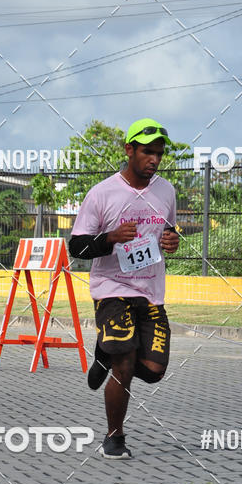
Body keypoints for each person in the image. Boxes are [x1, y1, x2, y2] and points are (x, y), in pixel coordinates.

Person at [68, 118, 180, 459]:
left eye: (159, 154)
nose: (155, 160)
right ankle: (114, 438)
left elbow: (169, 232)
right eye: (148, 152)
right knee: (126, 366)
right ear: (129, 150)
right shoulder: (102, 193)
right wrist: (110, 238)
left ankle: (105, 350)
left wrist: (172, 241)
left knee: (154, 371)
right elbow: (77, 247)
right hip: (111, 289)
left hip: (150, 291)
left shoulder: (166, 191)